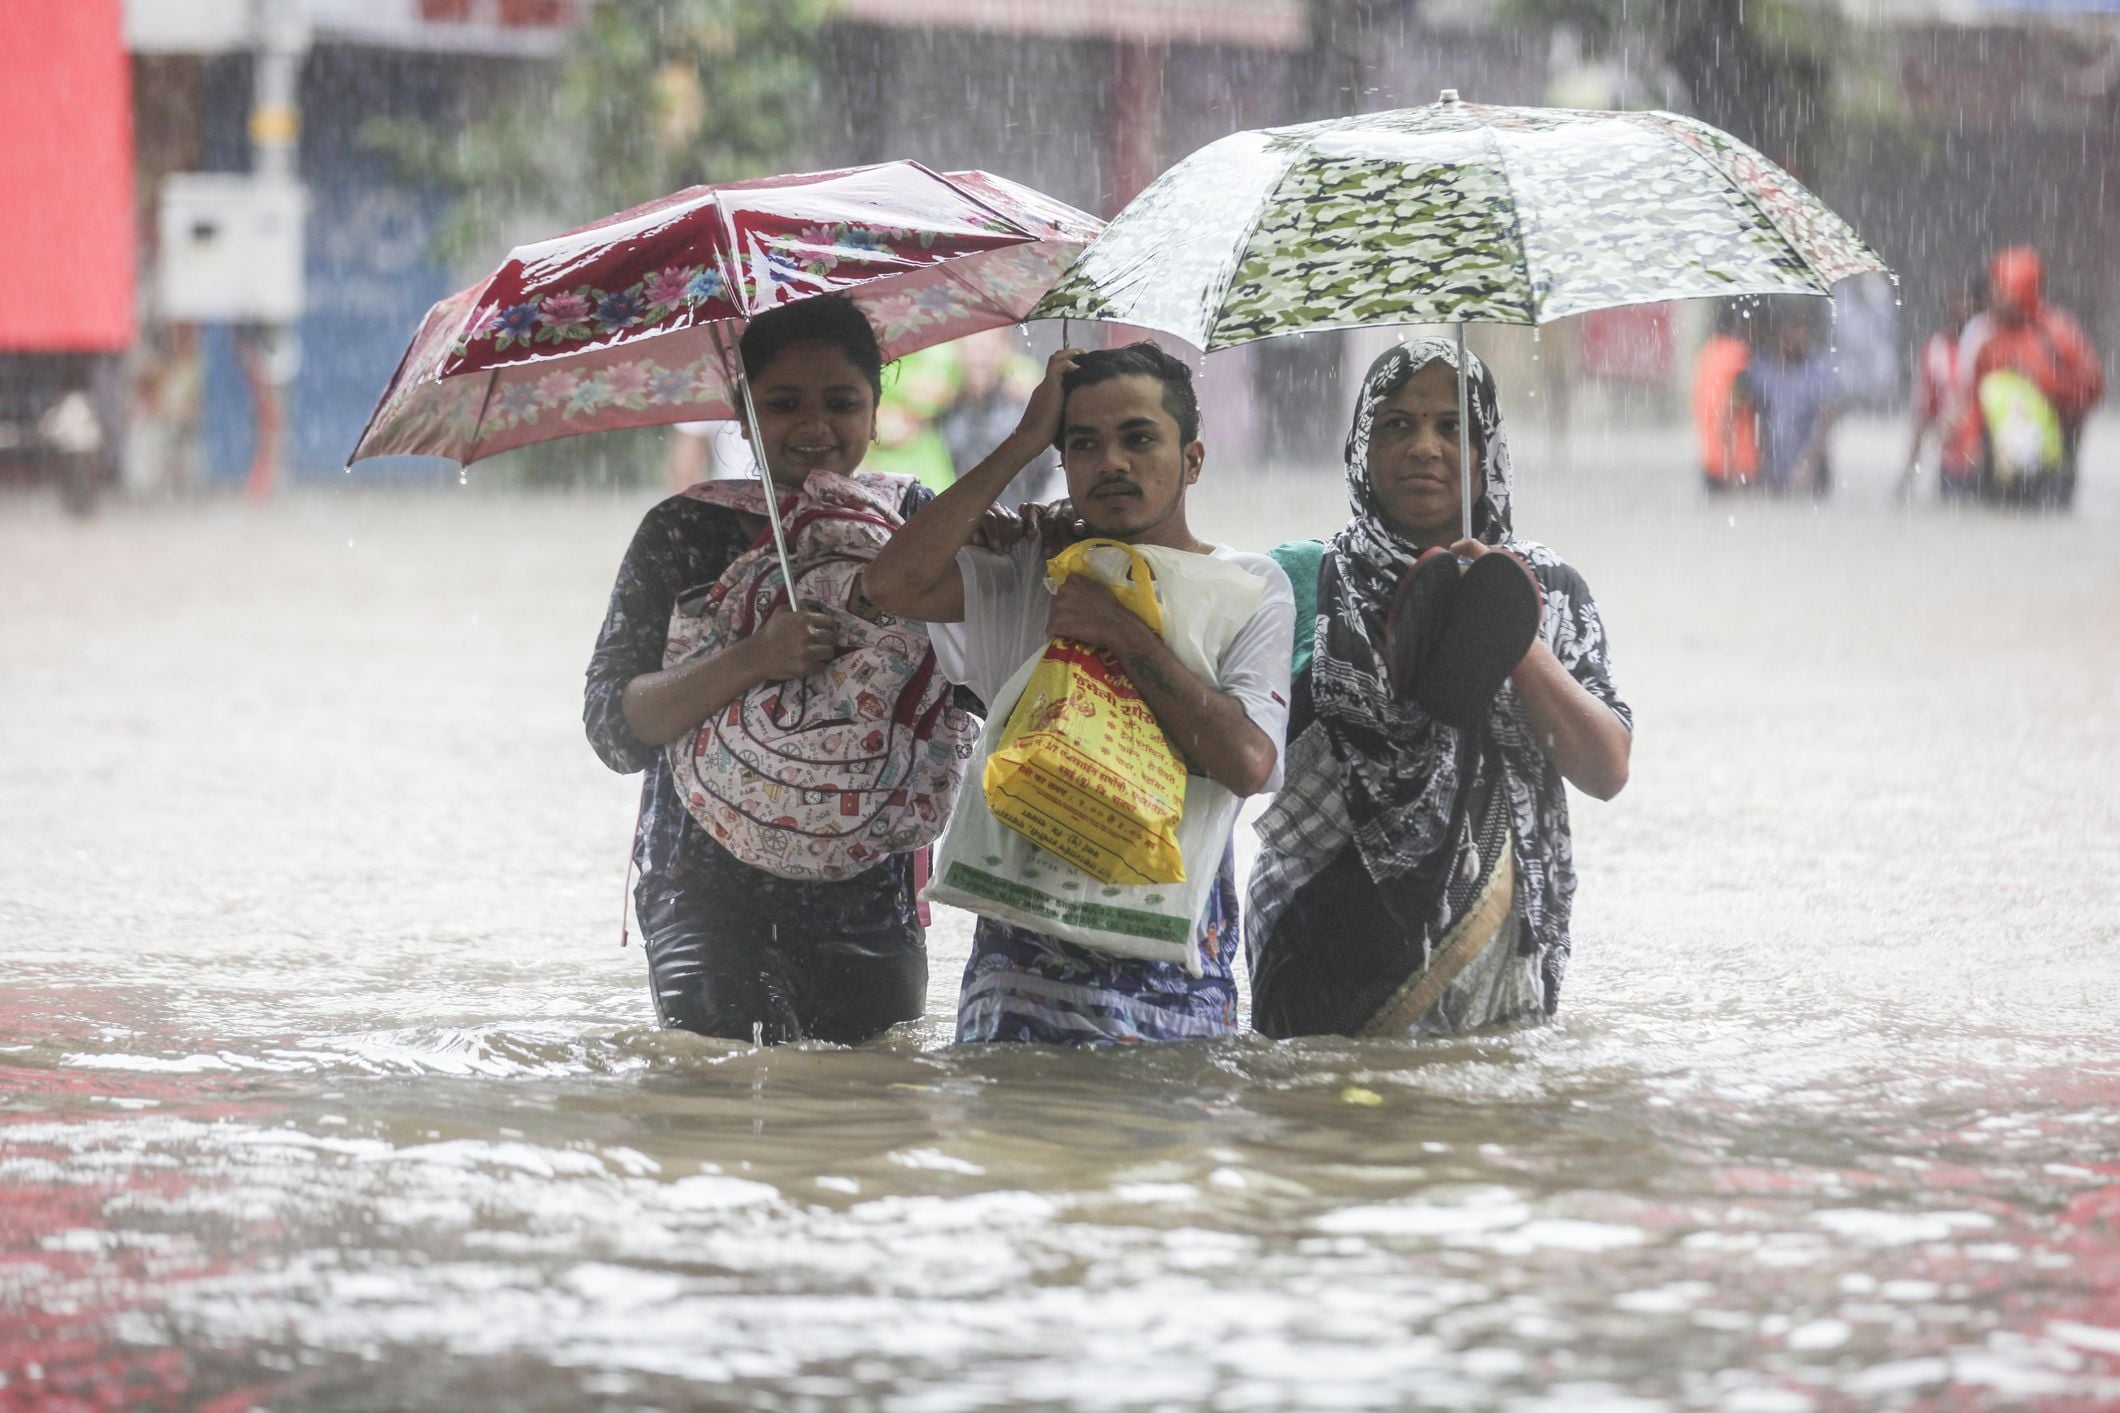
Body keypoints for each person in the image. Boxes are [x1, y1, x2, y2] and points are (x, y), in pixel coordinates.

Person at [863, 342, 1295, 1045]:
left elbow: (1249, 762)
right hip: (1012, 1003)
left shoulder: (1250, 587)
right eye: (1083, 444)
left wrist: (1122, 632)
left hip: (1173, 1002)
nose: (1112, 462)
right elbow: (890, 586)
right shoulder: (1030, 567)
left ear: (1193, 459)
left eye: (1139, 438)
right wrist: (1020, 445)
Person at [583, 296, 945, 1045]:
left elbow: (979, 680)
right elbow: (615, 728)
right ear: (742, 415)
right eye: (783, 404)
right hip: (706, 896)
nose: (815, 427)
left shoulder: (914, 522)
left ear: (877, 412)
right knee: (724, 1112)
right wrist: (755, 656)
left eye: (841, 402)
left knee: (867, 1122)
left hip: (870, 895)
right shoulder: (683, 530)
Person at [1247, 340, 1632, 1039]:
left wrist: (1502, 616)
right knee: (1314, 1133)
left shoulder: (1550, 589)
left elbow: (1605, 769)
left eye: (1453, 427)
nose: (1425, 447)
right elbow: (1234, 752)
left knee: (1477, 1134)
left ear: (1489, 454)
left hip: (1493, 962)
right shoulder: (1302, 581)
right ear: (1361, 448)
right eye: (1397, 424)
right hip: (1320, 962)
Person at [1956, 246, 2104, 507]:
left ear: (2022, 292)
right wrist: (1970, 445)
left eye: (2001, 290)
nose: (1992, 297)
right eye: (1993, 289)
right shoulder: (1986, 336)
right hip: (1997, 458)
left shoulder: (2059, 333)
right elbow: (1973, 400)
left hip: (2053, 460)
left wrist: (2048, 384)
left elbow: (2093, 389)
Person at [1897, 275, 1985, 502]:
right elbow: (1923, 414)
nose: (1959, 307)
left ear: (1977, 304)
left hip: (1989, 458)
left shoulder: (1988, 343)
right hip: (1953, 464)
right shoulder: (1933, 352)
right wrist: (1908, 473)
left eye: (1965, 300)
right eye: (1953, 301)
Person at [1740, 308, 1839, 496]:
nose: (1803, 337)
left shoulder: (1818, 370)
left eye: (1806, 330)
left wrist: (1808, 465)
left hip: (1810, 471)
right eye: (1796, 330)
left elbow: (1828, 417)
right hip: (1771, 469)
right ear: (1781, 333)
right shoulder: (1760, 370)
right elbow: (1743, 413)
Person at [1692, 305, 1759, 492]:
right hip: (1737, 466)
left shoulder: (1707, 354)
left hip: (1711, 461)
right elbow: (1730, 411)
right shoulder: (1738, 357)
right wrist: (1732, 470)